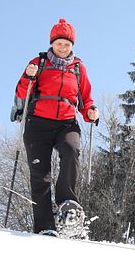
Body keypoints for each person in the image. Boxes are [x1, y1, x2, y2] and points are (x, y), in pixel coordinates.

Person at [14, 18, 99, 235]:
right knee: (40, 174)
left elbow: (85, 99)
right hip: (38, 122)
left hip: (66, 123)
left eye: (67, 44)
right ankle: (45, 227)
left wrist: (90, 112)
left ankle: (67, 204)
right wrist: (28, 76)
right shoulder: (39, 63)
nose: (62, 48)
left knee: (71, 151)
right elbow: (22, 93)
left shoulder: (78, 68)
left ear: (72, 46)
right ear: (52, 43)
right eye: (59, 43)